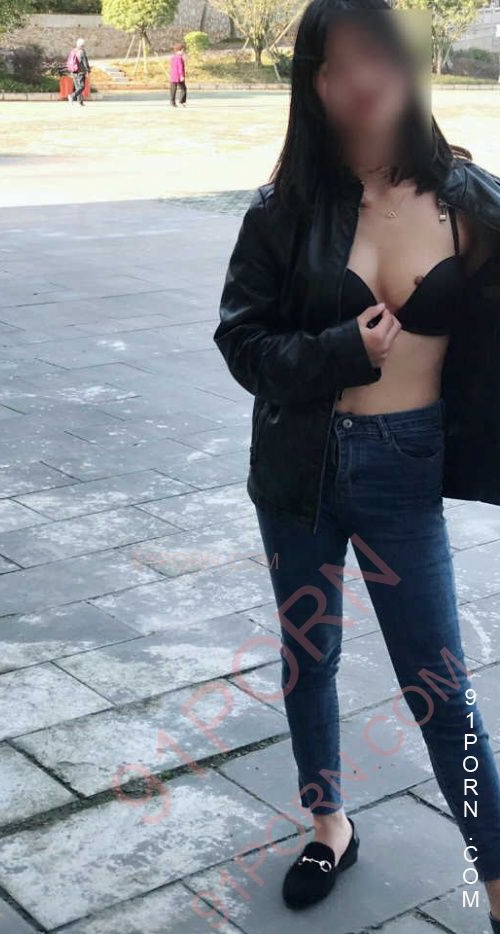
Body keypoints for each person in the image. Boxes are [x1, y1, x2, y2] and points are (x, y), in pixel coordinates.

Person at [214, 0, 500, 925]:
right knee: (311, 657)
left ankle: (497, 878)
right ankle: (328, 822)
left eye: (377, 56)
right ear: (314, 85)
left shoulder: (470, 201)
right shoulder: (282, 211)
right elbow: (241, 341)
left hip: (404, 469)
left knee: (440, 687)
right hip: (298, 472)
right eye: (334, 66)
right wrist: (339, 350)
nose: (361, 81)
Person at [67, 37, 91, 106]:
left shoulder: (73, 50)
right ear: (83, 45)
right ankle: (72, 96)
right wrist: (87, 71)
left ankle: (80, 102)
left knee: (78, 87)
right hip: (80, 71)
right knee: (82, 86)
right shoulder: (82, 51)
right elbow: (85, 62)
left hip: (73, 71)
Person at [169, 42, 187, 107]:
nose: (183, 51)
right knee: (183, 89)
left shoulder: (173, 57)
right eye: (183, 50)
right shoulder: (179, 58)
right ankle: (181, 102)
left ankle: (172, 103)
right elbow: (180, 67)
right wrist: (182, 75)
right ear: (181, 50)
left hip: (173, 76)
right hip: (178, 76)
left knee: (173, 90)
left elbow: (172, 66)